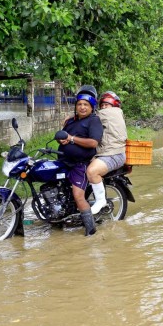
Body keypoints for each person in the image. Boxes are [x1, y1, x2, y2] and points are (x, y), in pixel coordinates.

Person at [57, 85, 103, 236]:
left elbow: (93, 143)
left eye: (86, 105)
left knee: (78, 196)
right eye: (79, 104)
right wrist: (63, 140)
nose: (82, 107)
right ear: (76, 106)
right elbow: (65, 138)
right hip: (64, 161)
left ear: (92, 107)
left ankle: (90, 230)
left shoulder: (94, 121)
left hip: (80, 164)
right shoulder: (70, 121)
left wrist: (71, 139)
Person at [87, 91, 127, 214]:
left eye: (107, 105)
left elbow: (88, 117)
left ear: (114, 106)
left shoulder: (112, 113)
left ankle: (100, 200)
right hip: (106, 152)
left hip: (113, 154)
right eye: (102, 105)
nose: (104, 107)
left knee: (92, 171)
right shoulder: (105, 115)